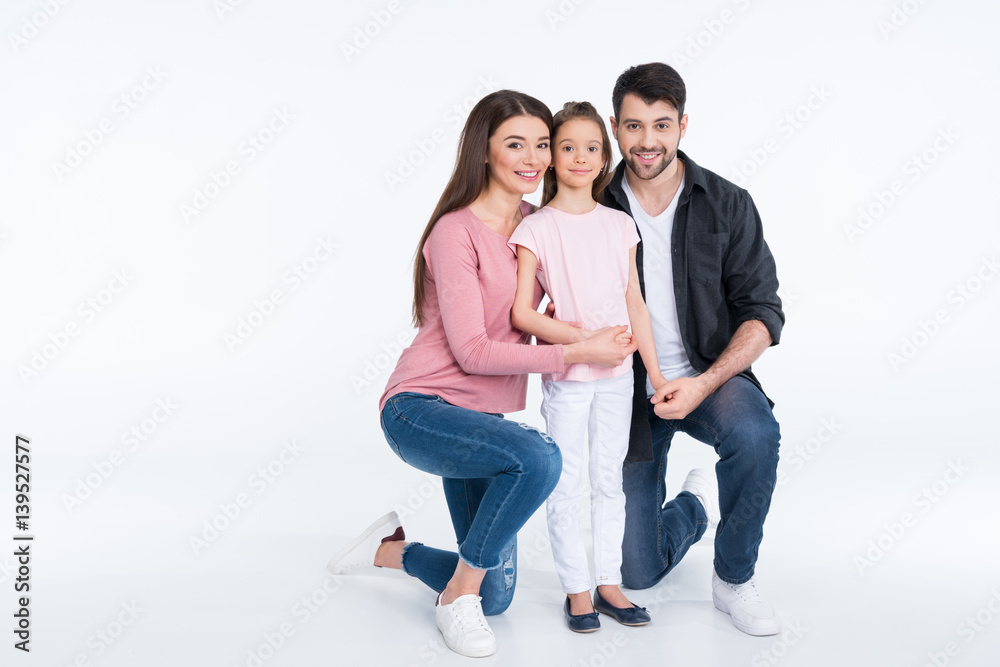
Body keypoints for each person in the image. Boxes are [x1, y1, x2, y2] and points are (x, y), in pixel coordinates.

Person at [325, 90, 636, 658]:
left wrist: (602, 334)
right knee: (540, 458)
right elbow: (472, 352)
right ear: (484, 151)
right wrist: (577, 352)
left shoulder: (539, 224)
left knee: (498, 596)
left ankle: (388, 551)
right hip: (422, 410)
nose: (532, 158)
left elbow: (574, 292)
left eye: (541, 144)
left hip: (483, 421)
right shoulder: (455, 232)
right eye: (515, 144)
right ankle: (455, 598)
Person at [603, 63, 786, 636]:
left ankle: (734, 578)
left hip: (709, 377)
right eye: (633, 125)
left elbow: (763, 312)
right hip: (629, 392)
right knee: (637, 573)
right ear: (615, 127)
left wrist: (704, 383)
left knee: (755, 434)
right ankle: (694, 507)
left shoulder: (727, 203)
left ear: (683, 125)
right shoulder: (592, 205)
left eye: (661, 124)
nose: (647, 140)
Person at [508, 101, 662, 633]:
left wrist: (657, 376)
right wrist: (583, 341)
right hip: (568, 380)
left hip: (619, 376)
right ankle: (577, 589)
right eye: (567, 146)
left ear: (604, 157)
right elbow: (523, 312)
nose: (579, 156)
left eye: (591, 147)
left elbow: (635, 302)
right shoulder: (537, 228)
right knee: (567, 482)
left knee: (609, 480)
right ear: (552, 156)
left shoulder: (620, 225)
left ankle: (608, 583)